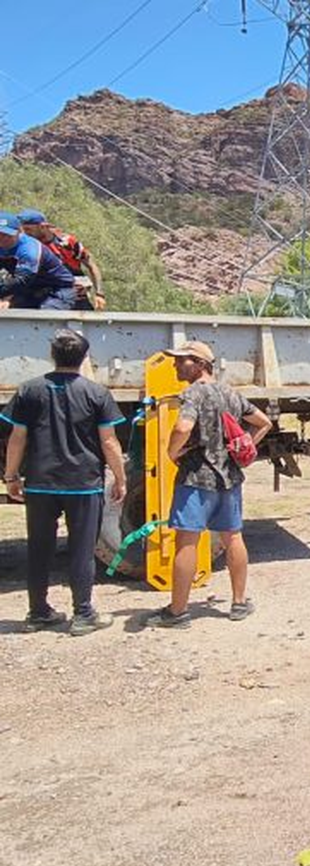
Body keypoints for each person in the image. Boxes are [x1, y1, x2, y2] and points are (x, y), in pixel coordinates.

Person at [2, 330, 126, 635]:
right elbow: (109, 442)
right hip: (83, 484)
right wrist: (120, 478)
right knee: (81, 550)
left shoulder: (30, 390)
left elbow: (17, 438)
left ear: (52, 356)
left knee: (39, 548)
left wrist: (11, 475)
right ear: (84, 358)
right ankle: (83, 614)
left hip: (41, 483)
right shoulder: (96, 393)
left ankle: (38, 612)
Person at [145, 340, 272, 627]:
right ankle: (239, 603)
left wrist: (171, 452)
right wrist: (245, 447)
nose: (176, 364)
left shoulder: (193, 393)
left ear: (200, 364)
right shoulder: (230, 393)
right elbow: (263, 422)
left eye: (182, 360)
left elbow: (183, 427)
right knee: (233, 537)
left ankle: (177, 612)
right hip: (229, 478)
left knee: (186, 541)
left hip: (195, 479)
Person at [17, 209, 106, 310]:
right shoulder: (27, 246)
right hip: (44, 295)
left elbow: (91, 265)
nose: (25, 234)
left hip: (76, 294)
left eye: (28, 230)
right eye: (22, 230)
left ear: (42, 227)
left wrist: (99, 293)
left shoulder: (67, 242)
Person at [0, 211, 78, 310]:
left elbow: (23, 279)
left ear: (19, 232)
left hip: (57, 289)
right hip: (30, 289)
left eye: (7, 235)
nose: (2, 239)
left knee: (44, 318)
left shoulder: (29, 249)